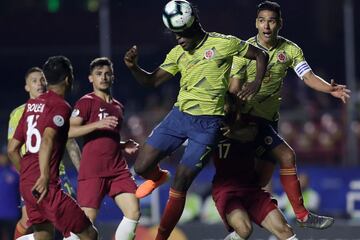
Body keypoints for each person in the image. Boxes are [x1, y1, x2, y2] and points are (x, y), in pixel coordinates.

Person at [123, 1, 268, 239]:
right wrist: (133, 67)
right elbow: (151, 81)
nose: (178, 39)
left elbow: (260, 54)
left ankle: (161, 237)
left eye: (181, 34)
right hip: (179, 117)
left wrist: (256, 83)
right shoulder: (178, 53)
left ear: (194, 25)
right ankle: (158, 176)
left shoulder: (223, 43)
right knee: (140, 167)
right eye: (174, 35)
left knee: (181, 181)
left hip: (208, 124)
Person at [230, 1, 349, 228]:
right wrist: (234, 117)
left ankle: (240, 227)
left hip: (269, 120)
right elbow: (234, 87)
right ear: (256, 23)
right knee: (286, 156)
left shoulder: (290, 50)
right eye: (262, 20)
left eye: (271, 21)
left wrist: (330, 89)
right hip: (246, 119)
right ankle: (302, 215)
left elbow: (308, 76)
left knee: (261, 180)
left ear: (279, 24)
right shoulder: (244, 50)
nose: (266, 26)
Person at [7, 56, 98, 240]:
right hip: (46, 186)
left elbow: (11, 149)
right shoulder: (60, 106)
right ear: (68, 79)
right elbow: (47, 140)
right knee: (89, 234)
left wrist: (27, 175)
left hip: (28, 186)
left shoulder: (32, 105)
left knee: (43, 236)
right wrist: (44, 175)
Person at [68, 57, 140, 240]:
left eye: (107, 74)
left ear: (113, 77)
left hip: (117, 169)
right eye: (99, 74)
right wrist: (96, 124)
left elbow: (107, 139)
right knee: (86, 225)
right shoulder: (86, 102)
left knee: (134, 212)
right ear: (91, 78)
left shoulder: (118, 107)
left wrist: (123, 145)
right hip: (93, 170)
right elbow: (68, 131)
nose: (103, 77)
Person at [214, 99, 298, 240]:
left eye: (232, 103)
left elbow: (251, 133)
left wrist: (234, 133)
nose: (229, 107)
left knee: (285, 231)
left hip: (251, 189)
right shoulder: (213, 126)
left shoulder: (253, 123)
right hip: (226, 190)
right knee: (244, 229)